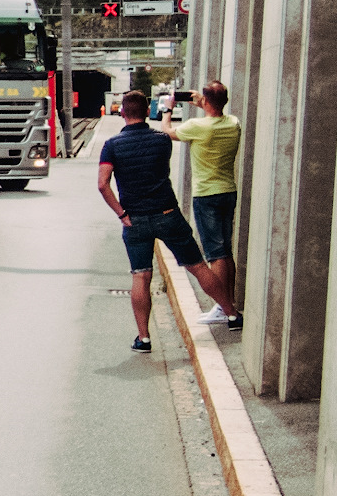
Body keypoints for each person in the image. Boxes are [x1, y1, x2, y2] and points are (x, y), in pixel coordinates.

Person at [98, 89, 240, 352]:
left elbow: (103, 184)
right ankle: (231, 315)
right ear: (145, 111)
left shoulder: (112, 146)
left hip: (135, 220)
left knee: (141, 276)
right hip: (167, 215)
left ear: (122, 112)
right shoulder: (162, 141)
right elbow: (168, 139)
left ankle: (144, 339)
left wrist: (121, 213)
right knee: (197, 266)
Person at [157, 81, 242, 323]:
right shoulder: (234, 124)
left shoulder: (196, 126)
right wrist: (203, 102)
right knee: (225, 251)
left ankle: (222, 308)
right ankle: (229, 302)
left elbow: (166, 132)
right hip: (228, 191)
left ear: (205, 102)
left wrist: (168, 111)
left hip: (206, 195)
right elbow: (217, 113)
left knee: (215, 254)